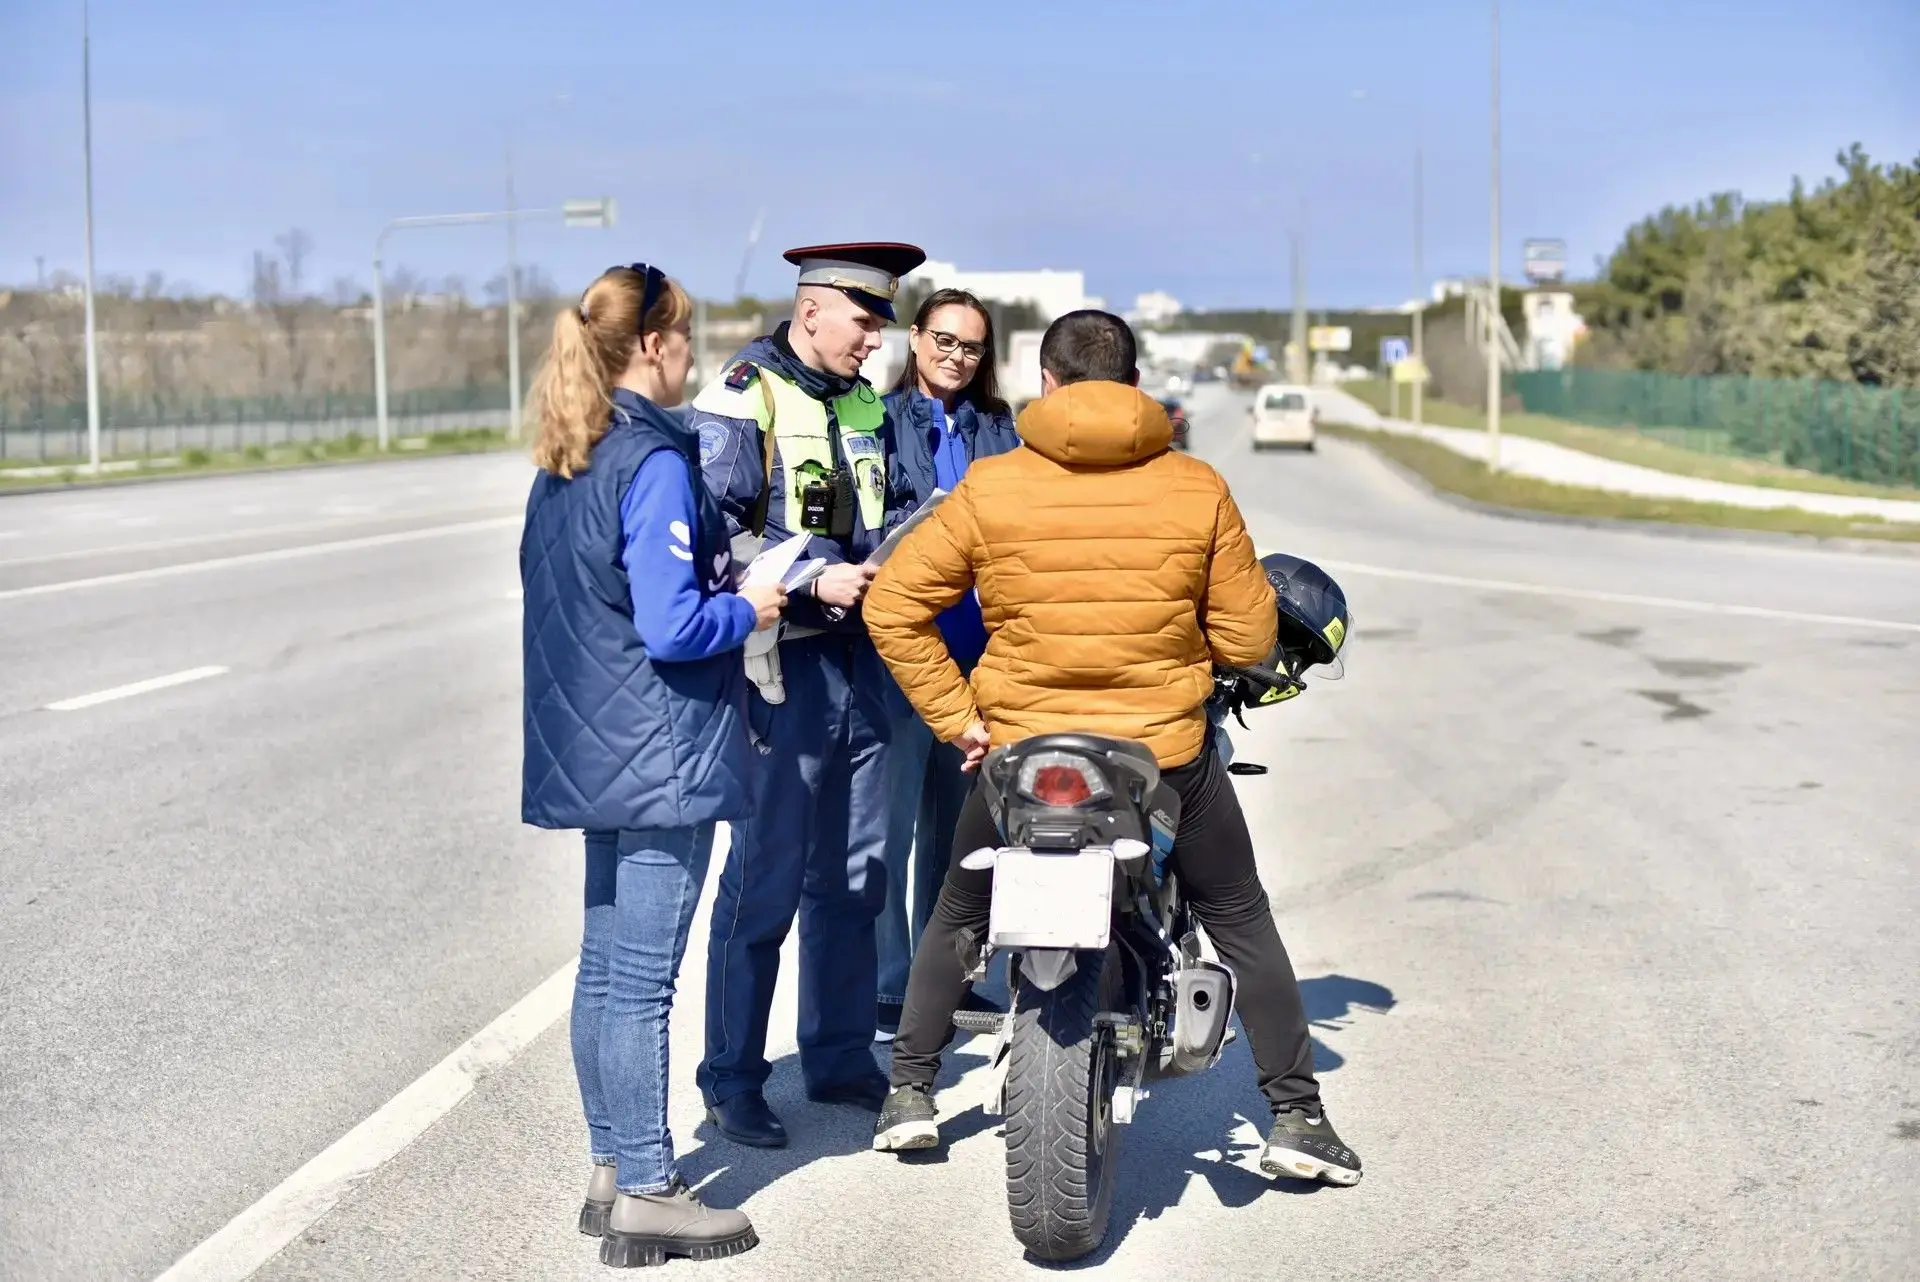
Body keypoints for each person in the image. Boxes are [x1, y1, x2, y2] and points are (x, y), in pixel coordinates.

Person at [861, 309, 1364, 1186]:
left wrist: (958, 717)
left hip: (1023, 750)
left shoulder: (991, 484)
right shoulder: (1195, 484)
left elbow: (892, 604)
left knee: (961, 911)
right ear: (1134, 387)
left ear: (1046, 383)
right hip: (1162, 754)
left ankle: (908, 1093)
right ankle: (1297, 1115)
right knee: (1239, 916)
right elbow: (1248, 639)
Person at [519, 263, 783, 1267]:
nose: (694, 355)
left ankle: (610, 1165)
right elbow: (675, 625)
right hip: (662, 746)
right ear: (659, 347)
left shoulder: (568, 455)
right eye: (689, 338)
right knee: (639, 985)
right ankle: (647, 1186)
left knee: (606, 973)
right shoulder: (654, 459)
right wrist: (755, 605)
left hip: (592, 741)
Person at [685, 242, 926, 1148]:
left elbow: (895, 502)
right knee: (765, 883)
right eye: (865, 321)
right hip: (781, 669)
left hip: (866, 665)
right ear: (814, 308)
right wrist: (813, 575)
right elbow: (716, 537)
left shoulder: (866, 399)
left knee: (857, 879)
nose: (875, 341)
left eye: (882, 324)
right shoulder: (743, 393)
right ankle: (734, 1079)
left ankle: (836, 1054)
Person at [873, 288, 1021, 1043]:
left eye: (970, 346)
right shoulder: (881, 417)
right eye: (944, 340)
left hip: (983, 658)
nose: (956, 356)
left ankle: (950, 981)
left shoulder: (1003, 428)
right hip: (907, 657)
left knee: (958, 837)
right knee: (891, 828)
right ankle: (888, 985)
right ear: (916, 337)